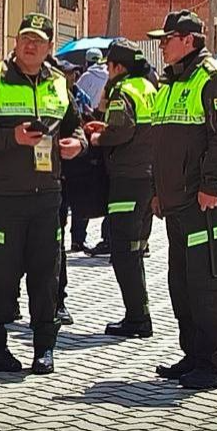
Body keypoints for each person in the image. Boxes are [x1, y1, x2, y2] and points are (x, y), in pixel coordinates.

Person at [0, 13, 86, 375]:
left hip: (47, 196)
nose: (30, 45)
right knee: (0, 276)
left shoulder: (60, 83)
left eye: (38, 40)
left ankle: (44, 347)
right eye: (24, 38)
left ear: (49, 47)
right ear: (15, 42)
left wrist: (76, 144)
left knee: (45, 274)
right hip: (2, 198)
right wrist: (10, 138)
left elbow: (75, 125)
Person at [146, 10, 217, 390]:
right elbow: (162, 146)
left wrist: (211, 185)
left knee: (206, 285)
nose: (161, 45)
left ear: (188, 40)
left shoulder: (214, 78)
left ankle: (214, 364)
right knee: (181, 284)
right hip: (175, 203)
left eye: (166, 38)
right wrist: (158, 191)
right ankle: (193, 355)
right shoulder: (169, 82)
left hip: (202, 201)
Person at [83, 39, 157, 338]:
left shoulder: (123, 91)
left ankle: (137, 318)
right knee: (136, 249)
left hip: (127, 178)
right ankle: (140, 312)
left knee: (123, 252)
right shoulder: (149, 88)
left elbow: (121, 130)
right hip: (149, 176)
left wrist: (98, 138)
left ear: (117, 66)